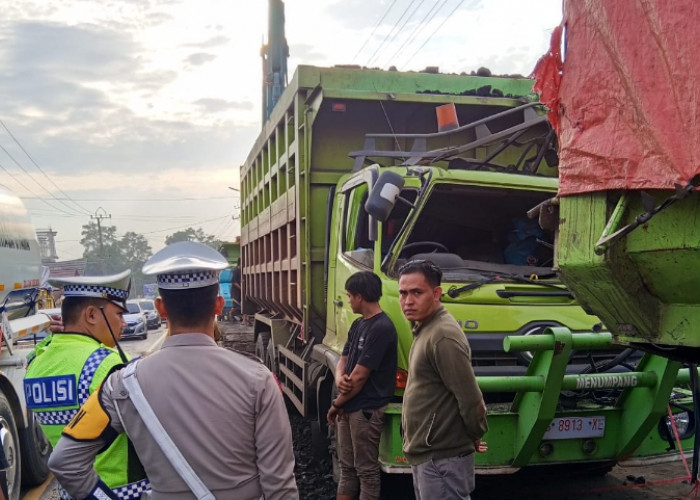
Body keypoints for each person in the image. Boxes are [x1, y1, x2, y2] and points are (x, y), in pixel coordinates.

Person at [49, 241, 299, 500]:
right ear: (218, 304)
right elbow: (280, 487)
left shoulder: (122, 385)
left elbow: (65, 462)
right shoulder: (258, 380)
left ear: (160, 308)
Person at [23, 270, 150, 500]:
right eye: (118, 314)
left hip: (71, 492)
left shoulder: (35, 364)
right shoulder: (107, 364)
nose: (123, 323)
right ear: (92, 315)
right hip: (118, 492)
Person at [398, 260, 488, 500]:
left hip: (442, 457)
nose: (408, 301)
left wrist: (474, 433)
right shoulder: (425, 328)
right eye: (403, 293)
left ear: (436, 293)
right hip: (431, 455)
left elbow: (470, 398)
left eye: (417, 292)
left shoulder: (442, 336)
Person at [327, 271, 398, 500]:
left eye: (349, 296)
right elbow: (344, 359)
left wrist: (336, 403)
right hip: (350, 406)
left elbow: (358, 378)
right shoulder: (358, 324)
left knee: (366, 471)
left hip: (366, 409)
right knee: (347, 468)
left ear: (360, 296)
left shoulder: (382, 328)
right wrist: (339, 379)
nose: (348, 300)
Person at [231, 257, 242, 321]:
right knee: (236, 306)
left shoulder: (242, 271)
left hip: (240, 293)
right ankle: (230, 314)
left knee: (242, 306)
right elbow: (234, 282)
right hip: (235, 293)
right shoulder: (235, 271)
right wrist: (241, 289)